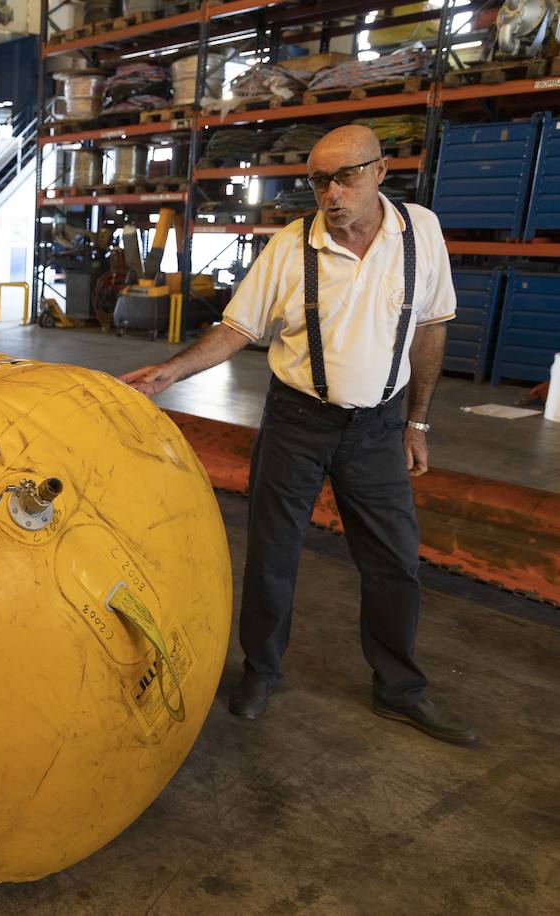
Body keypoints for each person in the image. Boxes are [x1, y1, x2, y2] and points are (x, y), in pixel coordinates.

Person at [120, 125, 477, 745]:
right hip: (298, 422)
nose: (331, 194)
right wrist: (171, 371)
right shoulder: (292, 246)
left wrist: (418, 421)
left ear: (381, 171)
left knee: (394, 560)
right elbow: (237, 328)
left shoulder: (421, 233)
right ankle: (261, 670)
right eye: (318, 180)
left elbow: (431, 327)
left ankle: (400, 688)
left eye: (346, 177)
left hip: (378, 426)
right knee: (273, 553)